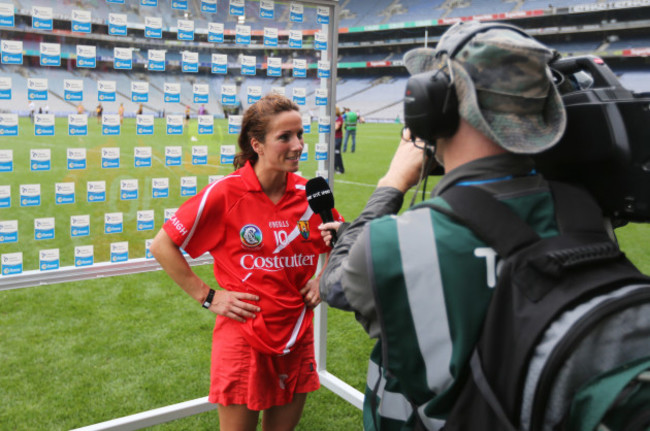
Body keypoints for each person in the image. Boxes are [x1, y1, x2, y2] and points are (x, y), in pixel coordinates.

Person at [319, 22, 569, 430]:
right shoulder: (588, 217)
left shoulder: (397, 242)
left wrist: (391, 185)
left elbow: (335, 284)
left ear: (434, 107)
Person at [150, 93, 342, 431]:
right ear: (258, 145)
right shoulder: (226, 193)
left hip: (297, 332)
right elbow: (163, 245)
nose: (298, 145)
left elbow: (338, 243)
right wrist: (209, 297)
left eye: (300, 134)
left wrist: (322, 279)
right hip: (243, 335)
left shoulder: (310, 194)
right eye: (285, 137)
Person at [334, 107, 345, 174]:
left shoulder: (339, 118)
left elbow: (336, 128)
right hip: (334, 138)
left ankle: (341, 169)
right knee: (334, 154)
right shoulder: (335, 118)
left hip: (338, 138)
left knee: (337, 153)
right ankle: (335, 168)